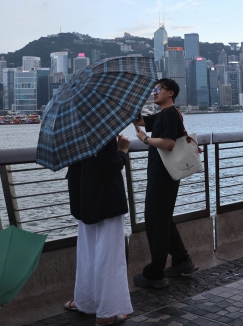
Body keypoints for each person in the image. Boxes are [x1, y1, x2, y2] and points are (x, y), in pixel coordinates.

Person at [132, 78, 197, 289]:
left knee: (156, 223)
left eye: (159, 89)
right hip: (162, 175)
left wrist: (145, 139)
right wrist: (133, 104)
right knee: (164, 220)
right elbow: (141, 121)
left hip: (163, 177)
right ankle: (181, 260)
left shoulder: (170, 114)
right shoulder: (162, 114)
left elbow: (168, 143)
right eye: (154, 89)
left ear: (171, 93)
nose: (155, 92)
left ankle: (155, 273)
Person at [64, 135, 133, 324]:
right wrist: (123, 151)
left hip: (83, 196)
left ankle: (85, 301)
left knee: (87, 253)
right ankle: (107, 312)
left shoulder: (74, 128)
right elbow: (111, 165)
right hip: (106, 200)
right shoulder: (101, 129)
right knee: (109, 256)